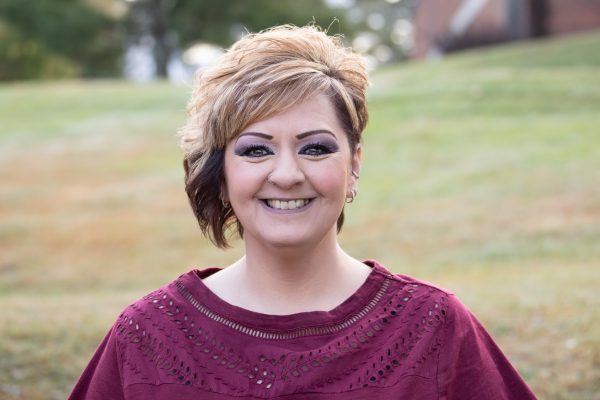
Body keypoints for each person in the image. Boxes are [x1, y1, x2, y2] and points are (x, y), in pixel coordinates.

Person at [69, 25, 537, 399]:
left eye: (314, 147)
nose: (287, 174)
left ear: (353, 165)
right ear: (221, 172)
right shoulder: (147, 336)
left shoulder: (433, 328)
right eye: (256, 151)